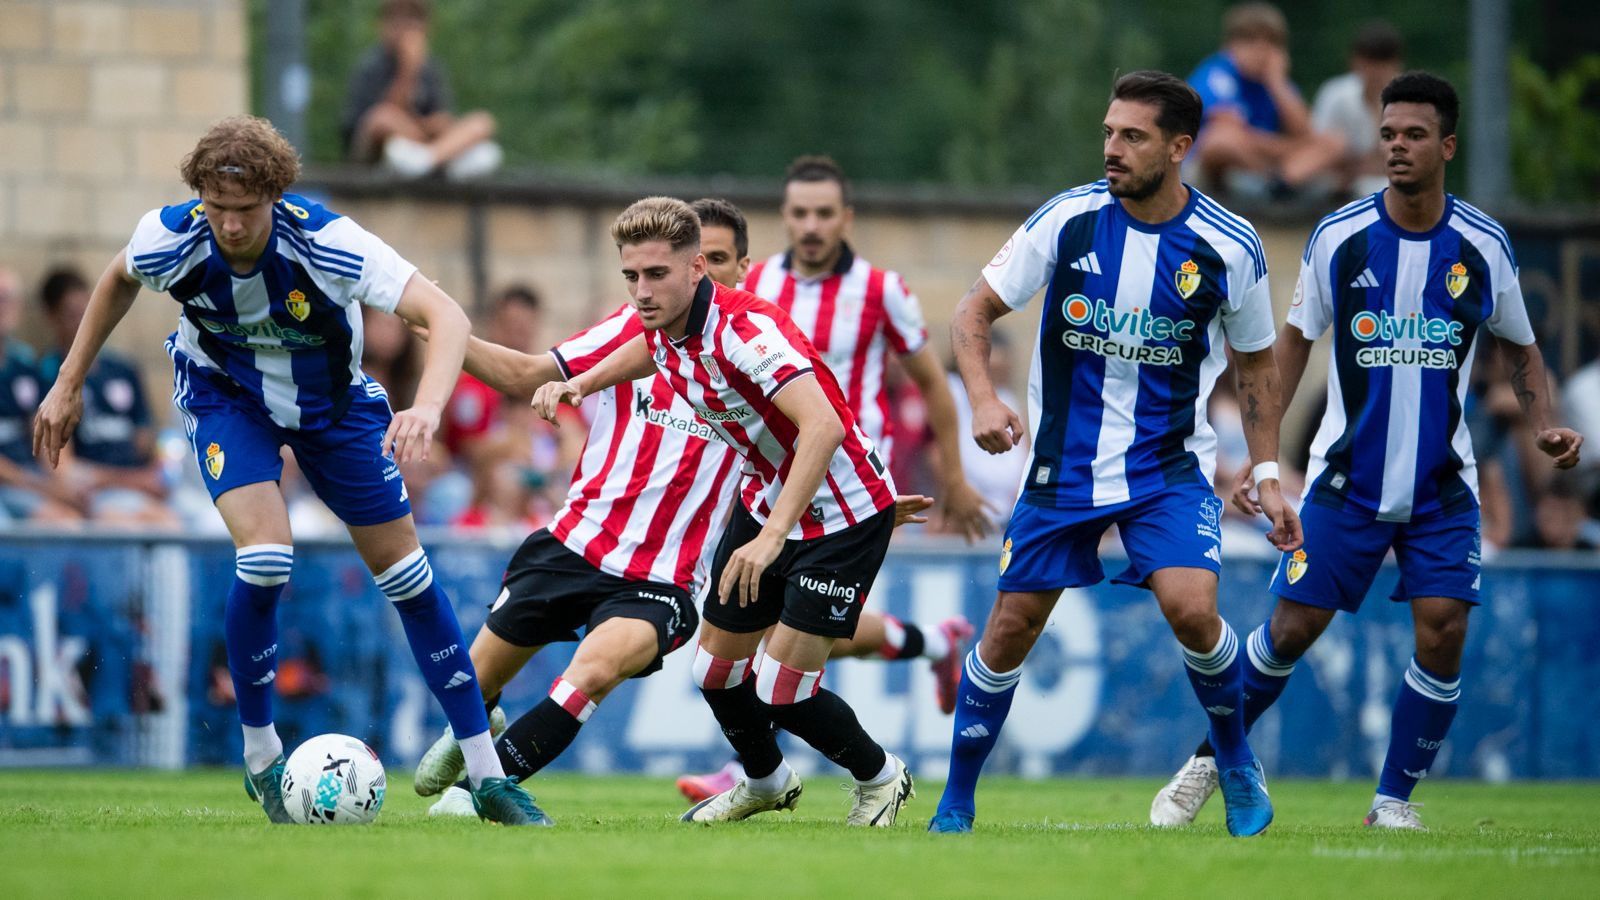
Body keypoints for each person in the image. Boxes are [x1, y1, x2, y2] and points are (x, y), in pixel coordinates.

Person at [30, 114, 542, 825]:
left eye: (245, 211)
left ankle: (487, 775)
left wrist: (424, 407)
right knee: (266, 556)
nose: (230, 226)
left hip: (333, 405)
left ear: (276, 197)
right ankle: (262, 756)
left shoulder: (329, 241)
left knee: (410, 581)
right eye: (218, 210)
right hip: (225, 397)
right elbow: (119, 276)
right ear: (199, 199)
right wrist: (68, 381)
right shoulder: (171, 235)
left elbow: (445, 314)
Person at [1148, 72, 1584, 832]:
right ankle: (1210, 761)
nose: (1397, 148)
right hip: (1345, 484)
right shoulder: (1339, 237)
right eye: (1387, 135)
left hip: (1443, 486)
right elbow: (1283, 352)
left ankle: (1392, 802)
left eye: (1414, 135)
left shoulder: (1482, 245)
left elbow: (1523, 349)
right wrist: (1265, 463)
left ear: (1447, 145)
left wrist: (1543, 421)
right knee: (1289, 631)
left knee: (1444, 627)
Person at [928, 71, 1301, 837]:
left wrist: (1265, 470)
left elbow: (1258, 364)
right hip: (1062, 467)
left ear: (1179, 147)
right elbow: (973, 310)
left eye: (1132, 136)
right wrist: (984, 400)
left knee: (1193, 611)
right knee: (1008, 630)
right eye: (1108, 133)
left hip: (1168, 469)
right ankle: (956, 801)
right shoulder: (1067, 221)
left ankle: (1232, 759)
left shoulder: (1229, 246)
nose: (1112, 149)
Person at [533, 197, 917, 827]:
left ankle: (881, 777)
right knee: (715, 670)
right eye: (631, 276)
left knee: (781, 689)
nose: (642, 291)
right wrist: (583, 383)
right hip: (769, 495)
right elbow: (650, 351)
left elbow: (821, 426)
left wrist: (772, 536)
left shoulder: (745, 329)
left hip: (839, 510)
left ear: (696, 271)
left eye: (656, 275)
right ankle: (766, 782)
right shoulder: (667, 325)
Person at [676, 198, 967, 804]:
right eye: (800, 211)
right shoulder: (684, 327)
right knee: (742, 660)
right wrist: (571, 381)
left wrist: (942, 480)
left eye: (823, 211)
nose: (811, 224)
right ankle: (933, 645)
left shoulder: (873, 291)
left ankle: (773, 771)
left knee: (786, 665)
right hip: (771, 495)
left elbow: (923, 384)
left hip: (842, 494)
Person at [37, 267, 178, 529]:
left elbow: (149, 442)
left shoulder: (123, 370)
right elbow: (65, 469)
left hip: (139, 489)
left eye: (86, 311)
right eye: (72, 314)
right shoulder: (47, 375)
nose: (82, 322)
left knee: (170, 524)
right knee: (120, 525)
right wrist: (128, 480)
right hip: (100, 497)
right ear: (53, 317)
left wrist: (159, 471)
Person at [1187, 3, 1345, 196]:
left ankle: (1282, 184)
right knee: (1221, 139)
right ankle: (1274, 180)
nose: (1261, 49)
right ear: (1230, 45)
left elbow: (1305, 131)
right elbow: (1228, 134)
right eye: (1250, 40)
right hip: (1224, 167)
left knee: (1335, 141)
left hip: (1269, 164)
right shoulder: (1217, 73)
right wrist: (1289, 147)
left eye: (1272, 42)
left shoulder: (1277, 82)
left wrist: (1277, 83)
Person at [342, 0, 501, 180]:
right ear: (383, 25)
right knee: (382, 117)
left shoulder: (432, 69)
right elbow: (376, 123)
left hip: (420, 147)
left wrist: (433, 126)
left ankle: (427, 160)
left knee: (482, 122)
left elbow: (443, 118)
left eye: (413, 21)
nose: (406, 29)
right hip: (377, 153)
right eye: (398, 20)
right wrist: (408, 70)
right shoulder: (370, 66)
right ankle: (438, 160)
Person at [0, 267, 80, 525]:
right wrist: (39, 487)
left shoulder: (24, 365)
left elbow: (43, 433)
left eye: (11, 299)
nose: (6, 306)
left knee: (69, 522)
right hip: (18, 484)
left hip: (27, 484)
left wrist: (62, 483)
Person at [1311, 21, 1405, 197]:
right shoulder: (1336, 93)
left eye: (1382, 63)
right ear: (1356, 62)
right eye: (1370, 62)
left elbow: (1392, 160)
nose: (1376, 72)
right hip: (1332, 178)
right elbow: (1317, 147)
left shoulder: (1407, 101)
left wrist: (1380, 105)